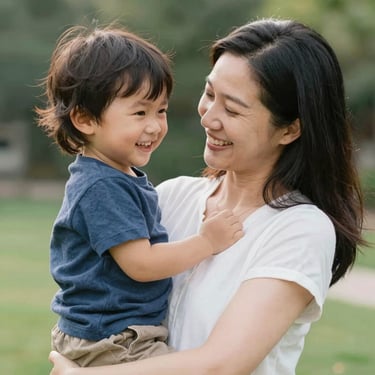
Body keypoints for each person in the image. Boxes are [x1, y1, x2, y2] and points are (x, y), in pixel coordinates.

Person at [48, 17, 366, 375]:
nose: (208, 117)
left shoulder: (299, 229)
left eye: (232, 109)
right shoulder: (169, 197)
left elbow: (222, 365)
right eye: (210, 94)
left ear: (290, 129)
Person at [35, 25, 244, 367]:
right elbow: (141, 264)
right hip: (111, 340)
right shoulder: (101, 186)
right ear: (85, 119)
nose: (155, 126)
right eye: (139, 112)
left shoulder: (117, 176)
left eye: (160, 111)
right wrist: (207, 241)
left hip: (115, 333)